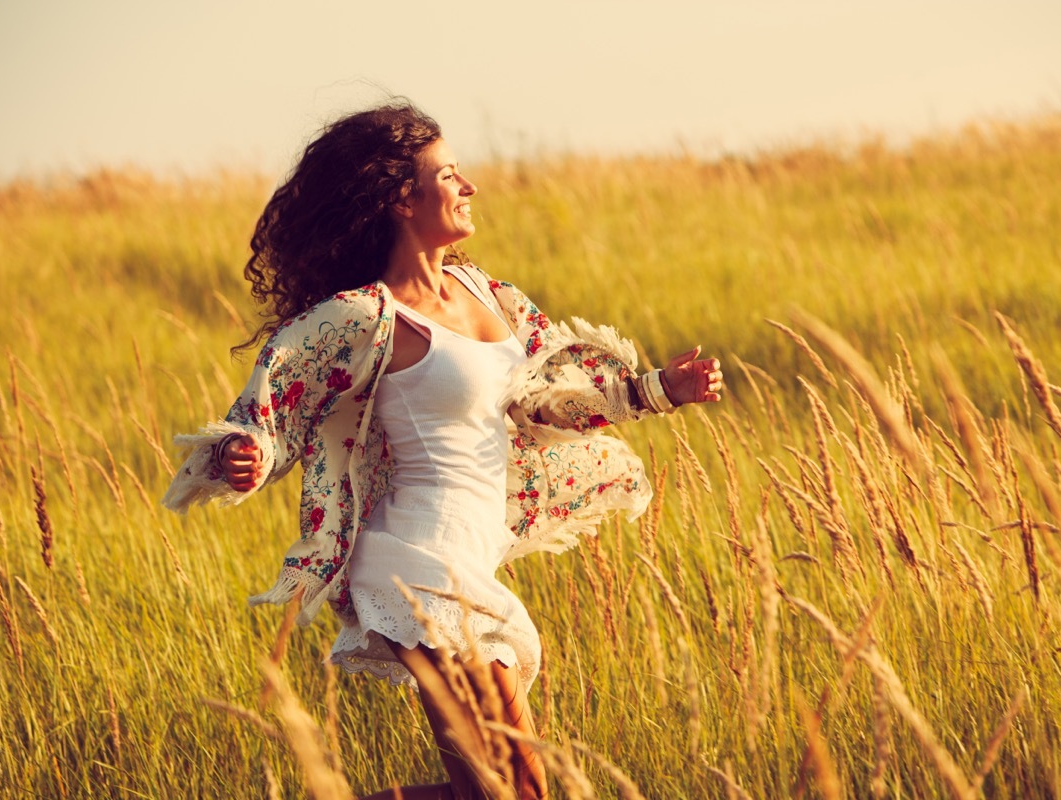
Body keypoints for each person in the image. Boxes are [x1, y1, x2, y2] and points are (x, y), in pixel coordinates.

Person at [163, 99, 723, 800]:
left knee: (488, 793)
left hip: (468, 560)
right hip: (419, 564)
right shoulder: (364, 317)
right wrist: (241, 453)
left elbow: (548, 392)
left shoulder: (485, 292)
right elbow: (277, 398)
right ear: (401, 197)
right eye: (450, 175)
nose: (469, 188)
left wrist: (656, 388)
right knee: (516, 790)